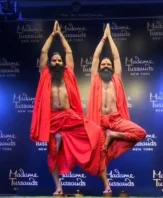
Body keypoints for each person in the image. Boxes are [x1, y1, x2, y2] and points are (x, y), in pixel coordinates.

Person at [30, 21, 105, 196]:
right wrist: (51, 35)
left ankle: (89, 161)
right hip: (52, 119)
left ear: (63, 63)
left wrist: (60, 34)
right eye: (54, 60)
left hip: (70, 117)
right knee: (53, 153)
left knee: (95, 131)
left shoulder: (68, 74)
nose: (56, 62)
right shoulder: (45, 74)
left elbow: (69, 52)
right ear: (50, 63)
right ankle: (58, 188)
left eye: (59, 60)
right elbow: (43, 52)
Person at [87, 23, 147, 194]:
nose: (105, 66)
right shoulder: (95, 78)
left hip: (116, 121)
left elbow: (117, 57)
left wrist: (110, 38)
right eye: (103, 65)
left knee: (141, 133)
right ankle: (107, 186)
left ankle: (114, 136)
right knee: (100, 156)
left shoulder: (116, 79)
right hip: (100, 123)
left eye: (108, 64)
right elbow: (95, 58)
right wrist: (103, 39)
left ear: (112, 67)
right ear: (99, 68)